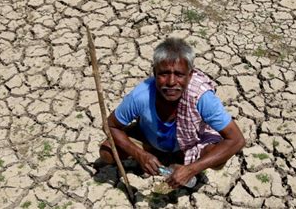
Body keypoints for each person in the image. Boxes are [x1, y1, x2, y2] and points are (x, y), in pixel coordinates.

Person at [99, 37, 245, 189]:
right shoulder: (142, 95)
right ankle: (157, 159)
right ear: (154, 73)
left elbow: (237, 140)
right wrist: (139, 154)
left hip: (189, 144)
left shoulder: (201, 97)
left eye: (179, 74)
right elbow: (110, 125)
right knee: (107, 151)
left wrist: (191, 169)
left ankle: (181, 163)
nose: (171, 82)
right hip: (149, 139)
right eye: (164, 74)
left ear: (190, 75)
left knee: (218, 155)